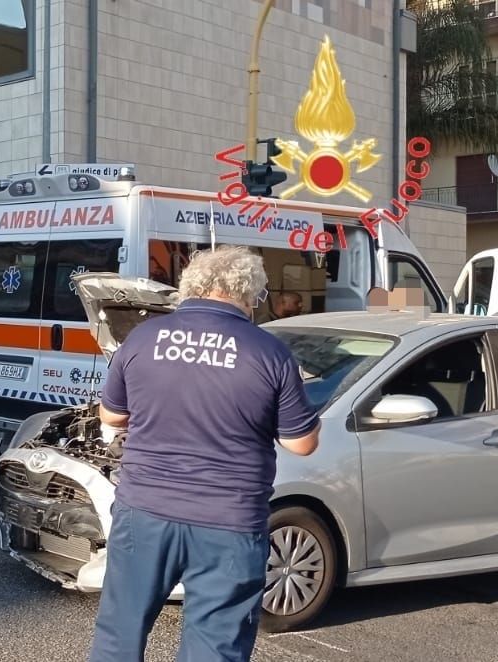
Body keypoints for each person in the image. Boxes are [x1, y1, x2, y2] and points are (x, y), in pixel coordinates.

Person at [88, 246, 321, 662]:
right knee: (215, 645)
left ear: (189, 286)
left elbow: (112, 414)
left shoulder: (142, 338)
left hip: (145, 509)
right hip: (227, 520)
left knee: (119, 632)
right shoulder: (269, 353)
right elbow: (301, 443)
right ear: (249, 295)